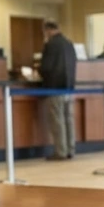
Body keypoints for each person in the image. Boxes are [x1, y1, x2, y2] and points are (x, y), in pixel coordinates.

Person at [38, 20, 77, 160]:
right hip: (69, 87)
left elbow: (46, 67)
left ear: (48, 30)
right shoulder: (69, 43)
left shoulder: (51, 45)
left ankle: (60, 151)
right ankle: (70, 150)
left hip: (54, 87)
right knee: (69, 119)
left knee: (57, 121)